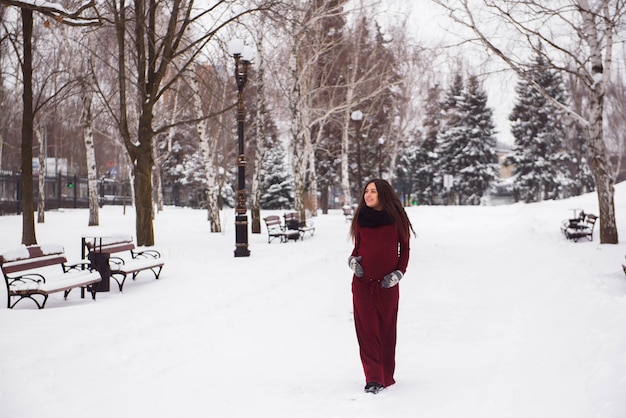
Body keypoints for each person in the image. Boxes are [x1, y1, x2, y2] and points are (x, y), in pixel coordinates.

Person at [348, 179, 415, 394]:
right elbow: (357, 248)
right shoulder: (361, 218)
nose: (367, 195)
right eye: (366, 191)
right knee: (367, 331)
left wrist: (398, 273)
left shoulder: (397, 218)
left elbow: (404, 250)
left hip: (387, 285)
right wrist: (352, 262)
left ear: (382, 194)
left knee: (386, 330)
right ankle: (373, 378)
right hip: (362, 283)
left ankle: (386, 374)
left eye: (373, 191)